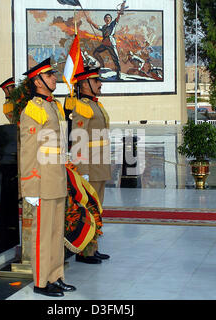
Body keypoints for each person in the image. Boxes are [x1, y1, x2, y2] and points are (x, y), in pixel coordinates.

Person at [20, 57, 76, 297]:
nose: (55, 78)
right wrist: (30, 187)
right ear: (38, 80)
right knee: (42, 234)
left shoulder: (53, 106)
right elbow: (29, 151)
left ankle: (56, 275)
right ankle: (41, 282)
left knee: (55, 232)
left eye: (53, 74)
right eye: (50, 75)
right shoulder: (33, 109)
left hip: (56, 177)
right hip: (41, 180)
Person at [70, 67, 111, 264]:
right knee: (89, 210)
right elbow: (78, 140)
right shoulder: (82, 106)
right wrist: (82, 171)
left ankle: (93, 248)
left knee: (98, 209)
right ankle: (84, 252)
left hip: (100, 166)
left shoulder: (96, 105)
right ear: (85, 84)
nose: (100, 84)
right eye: (96, 81)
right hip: (90, 168)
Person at [86, 5, 125, 80]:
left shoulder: (113, 24)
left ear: (110, 19)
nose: (107, 19)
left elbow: (117, 19)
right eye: (106, 18)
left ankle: (118, 73)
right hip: (105, 44)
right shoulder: (104, 27)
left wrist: (119, 13)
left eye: (108, 18)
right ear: (104, 20)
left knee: (116, 59)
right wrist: (91, 22)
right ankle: (102, 64)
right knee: (95, 52)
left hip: (111, 44)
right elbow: (97, 27)